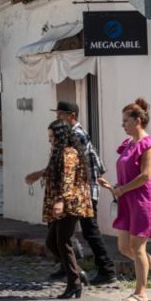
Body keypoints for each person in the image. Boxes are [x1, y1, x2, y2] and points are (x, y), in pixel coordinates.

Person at [25, 101, 116, 285]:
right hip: (72, 191)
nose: (58, 117)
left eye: (61, 114)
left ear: (71, 115)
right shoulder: (66, 134)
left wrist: (91, 183)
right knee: (58, 235)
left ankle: (106, 270)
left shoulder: (76, 135)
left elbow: (75, 168)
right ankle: (69, 267)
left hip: (79, 192)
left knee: (88, 231)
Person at [99, 98, 151, 301]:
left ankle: (141, 292)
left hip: (143, 200)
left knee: (137, 246)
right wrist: (114, 186)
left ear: (138, 121)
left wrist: (122, 189)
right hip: (127, 198)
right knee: (124, 247)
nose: (123, 124)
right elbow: (128, 174)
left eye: (126, 121)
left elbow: (145, 176)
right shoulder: (128, 145)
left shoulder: (149, 144)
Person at [41, 120, 94, 299]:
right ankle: (77, 273)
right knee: (52, 242)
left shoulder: (69, 153)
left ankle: (74, 283)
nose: (50, 141)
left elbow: (68, 179)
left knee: (63, 241)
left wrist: (60, 201)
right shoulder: (59, 152)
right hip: (65, 201)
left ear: (61, 136)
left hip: (70, 203)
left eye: (52, 137)